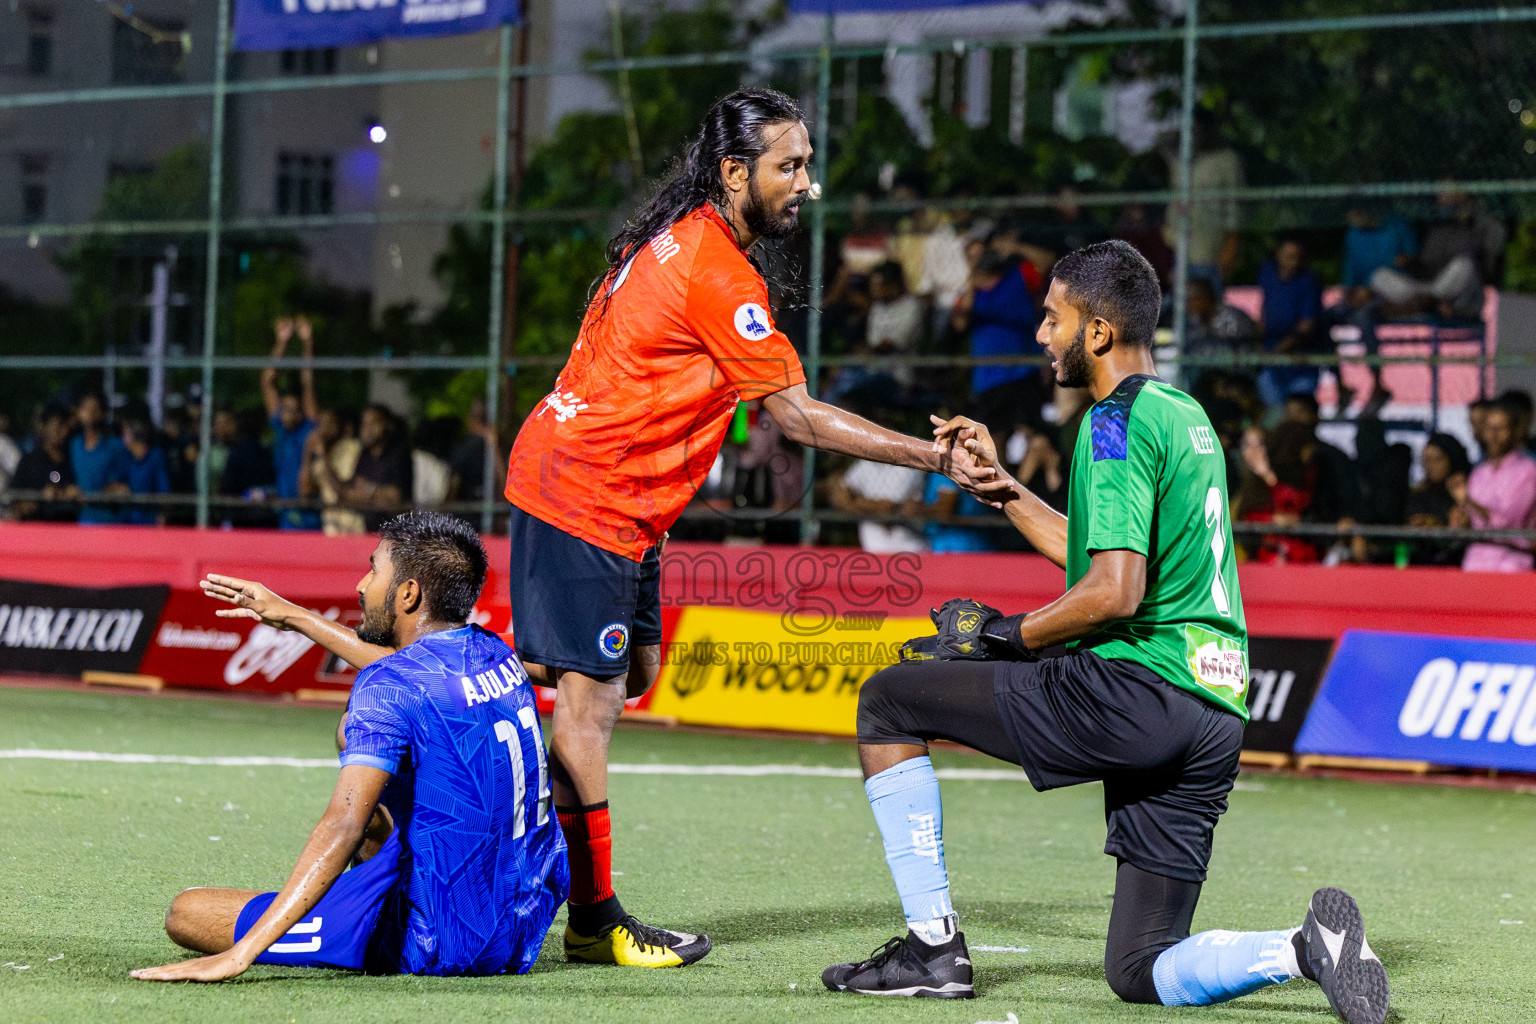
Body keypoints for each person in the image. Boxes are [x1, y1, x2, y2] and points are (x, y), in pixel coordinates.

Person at [501, 87, 1006, 969]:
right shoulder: (715, 269)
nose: (806, 184)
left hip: (615, 497)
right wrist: (938, 461)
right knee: (590, 707)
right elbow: (800, 419)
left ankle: (488, 695)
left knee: (624, 675)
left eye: (806, 164)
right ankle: (591, 918)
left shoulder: (686, 237)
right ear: (735, 172)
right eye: (790, 166)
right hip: (587, 491)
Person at [821, 241, 1389, 1024]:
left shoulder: (1112, 422)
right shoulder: (1183, 414)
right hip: (1213, 710)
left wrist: (1004, 636)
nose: (1041, 336)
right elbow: (1101, 555)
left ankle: (931, 949)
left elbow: (1114, 592)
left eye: (1052, 319)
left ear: (1095, 330)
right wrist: (1003, 489)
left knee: (888, 701)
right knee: (1138, 966)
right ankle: (1305, 949)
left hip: (1137, 690)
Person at [131, 511, 568, 982]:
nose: (362, 584)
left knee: (188, 912)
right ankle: (373, 880)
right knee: (354, 735)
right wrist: (294, 615)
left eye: (374, 570)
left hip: (443, 940)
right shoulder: (492, 650)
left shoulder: (386, 686)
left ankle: (355, 917)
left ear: (408, 593)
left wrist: (242, 953)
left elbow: (342, 824)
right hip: (525, 918)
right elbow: (417, 673)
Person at [952, 246, 1039, 433]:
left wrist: (1014, 245)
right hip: (989, 376)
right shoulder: (971, 292)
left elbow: (1047, 266)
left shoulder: (1018, 275)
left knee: (1030, 430)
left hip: (1023, 369)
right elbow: (959, 322)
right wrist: (972, 277)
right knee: (993, 433)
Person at [1451, 400, 1536, 572]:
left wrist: (1468, 502)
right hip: (1474, 565)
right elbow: (1472, 524)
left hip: (1511, 566)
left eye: (1500, 429)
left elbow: (1506, 524)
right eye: (1489, 428)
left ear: (1514, 432)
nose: (1493, 436)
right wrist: (1460, 518)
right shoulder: (1479, 473)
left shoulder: (1528, 471)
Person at [262, 316, 321, 530]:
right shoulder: (279, 427)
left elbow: (308, 383)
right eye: (285, 409)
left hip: (310, 518)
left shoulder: (308, 429)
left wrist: (308, 343)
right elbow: (268, 381)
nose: (288, 414)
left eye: (294, 410)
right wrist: (282, 342)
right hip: (286, 517)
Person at [1256, 239, 1323, 408]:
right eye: (1289, 256)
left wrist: (1276, 351)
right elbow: (1265, 309)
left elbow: (1306, 326)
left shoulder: (1309, 282)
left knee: (1297, 418)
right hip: (1271, 363)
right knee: (1274, 415)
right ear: (1278, 255)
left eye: (1298, 257)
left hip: (1301, 362)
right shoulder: (1268, 273)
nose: (1294, 262)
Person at [1405, 433, 1470, 566]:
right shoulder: (1420, 494)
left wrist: (1438, 526)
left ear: (1451, 458)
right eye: (1427, 460)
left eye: (1437, 459)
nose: (1431, 466)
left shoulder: (1467, 490)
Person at [8, 402, 78, 522]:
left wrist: (68, 493)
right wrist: (34, 501)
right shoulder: (29, 460)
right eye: (57, 427)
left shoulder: (73, 459)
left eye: (65, 427)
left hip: (67, 526)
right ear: (45, 427)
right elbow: (14, 495)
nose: (61, 432)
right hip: (36, 527)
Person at [69, 389, 128, 524]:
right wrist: (66, 486)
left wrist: (111, 490)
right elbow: (58, 474)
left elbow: (124, 483)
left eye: (93, 408)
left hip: (110, 520)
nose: (88, 412)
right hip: (84, 520)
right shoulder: (74, 444)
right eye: (85, 407)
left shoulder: (115, 445)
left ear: (102, 413)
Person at [120, 416, 170, 526]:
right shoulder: (127, 458)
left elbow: (163, 488)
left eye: (125, 434)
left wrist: (162, 514)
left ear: (133, 435)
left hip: (151, 519)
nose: (122, 438)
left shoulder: (156, 456)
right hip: (129, 519)